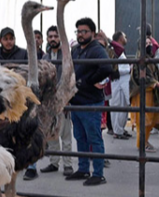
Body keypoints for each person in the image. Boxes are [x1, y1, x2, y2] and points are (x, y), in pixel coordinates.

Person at [66, 18, 111, 186]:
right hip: (77, 101)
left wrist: (89, 81)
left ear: (92, 33)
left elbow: (106, 68)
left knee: (94, 138)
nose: (81, 34)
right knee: (80, 137)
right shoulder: (76, 50)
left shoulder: (96, 49)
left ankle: (98, 174)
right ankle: (83, 169)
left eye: (84, 31)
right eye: (78, 31)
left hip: (91, 102)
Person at [39, 26, 73, 176]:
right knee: (51, 134)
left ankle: (68, 165)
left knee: (65, 135)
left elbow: (70, 78)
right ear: (47, 39)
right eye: (50, 36)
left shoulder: (66, 57)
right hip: (48, 103)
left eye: (55, 36)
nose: (53, 39)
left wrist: (67, 100)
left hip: (63, 101)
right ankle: (54, 163)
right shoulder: (45, 58)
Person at [130, 36, 159, 152]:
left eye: (150, 42)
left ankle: (144, 141)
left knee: (151, 120)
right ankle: (141, 144)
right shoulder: (139, 59)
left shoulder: (149, 58)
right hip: (143, 93)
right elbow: (141, 76)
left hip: (151, 94)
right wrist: (156, 83)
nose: (149, 45)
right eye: (146, 43)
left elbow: (156, 73)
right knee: (144, 120)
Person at [109, 31, 131, 140]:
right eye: (124, 36)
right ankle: (117, 131)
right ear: (120, 38)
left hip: (123, 82)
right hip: (117, 82)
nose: (126, 37)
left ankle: (121, 129)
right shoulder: (115, 51)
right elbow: (117, 69)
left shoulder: (120, 52)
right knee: (117, 106)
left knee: (124, 107)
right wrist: (129, 68)